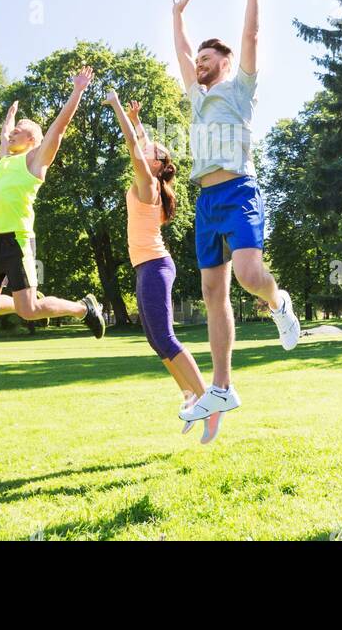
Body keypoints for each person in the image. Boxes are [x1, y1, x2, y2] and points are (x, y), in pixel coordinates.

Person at [172, 0, 303, 427]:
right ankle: (222, 387)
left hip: (239, 192)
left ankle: (279, 302)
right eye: (199, 60)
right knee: (212, 293)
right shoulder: (197, 97)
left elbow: (250, 33)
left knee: (249, 274)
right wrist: (176, 17)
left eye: (209, 58)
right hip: (206, 200)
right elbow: (182, 53)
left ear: (224, 64)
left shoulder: (240, 88)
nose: (200, 64)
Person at [104, 91, 220, 444]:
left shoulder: (148, 183)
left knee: (167, 338)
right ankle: (189, 395)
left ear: (156, 164)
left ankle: (210, 402)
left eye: (151, 150)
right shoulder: (151, 177)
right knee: (156, 340)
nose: (146, 147)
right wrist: (138, 121)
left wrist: (119, 108)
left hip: (155, 266)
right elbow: (140, 141)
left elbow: (133, 144)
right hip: (146, 267)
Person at [0, 67, 106, 337]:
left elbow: (59, 128)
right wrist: (10, 120)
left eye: (18, 132)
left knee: (29, 311)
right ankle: (32, 299)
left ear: (33, 140)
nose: (11, 135)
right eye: (12, 133)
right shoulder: (5, 160)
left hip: (17, 240)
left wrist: (77, 91)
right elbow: (4, 136)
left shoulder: (35, 161)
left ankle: (83, 308)